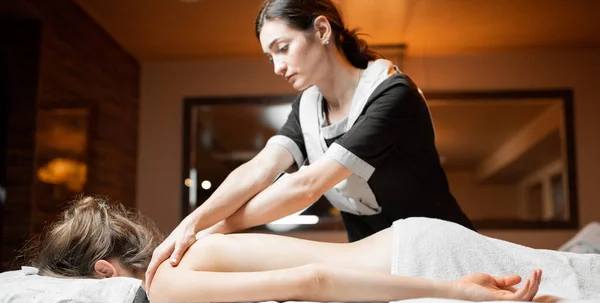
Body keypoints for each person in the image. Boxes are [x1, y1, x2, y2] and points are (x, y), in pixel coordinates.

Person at [145, 0, 473, 288]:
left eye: (282, 47)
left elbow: (309, 185)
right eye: (269, 56)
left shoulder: (392, 94)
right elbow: (259, 168)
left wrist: (209, 230)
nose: (277, 67)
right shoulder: (308, 108)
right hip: (378, 265)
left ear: (321, 30)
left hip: (440, 252)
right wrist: (191, 224)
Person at [23, 196, 547, 303]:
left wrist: (452, 291)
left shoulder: (167, 283)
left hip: (415, 259)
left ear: (102, 272)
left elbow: (311, 280)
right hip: (413, 240)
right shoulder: (192, 247)